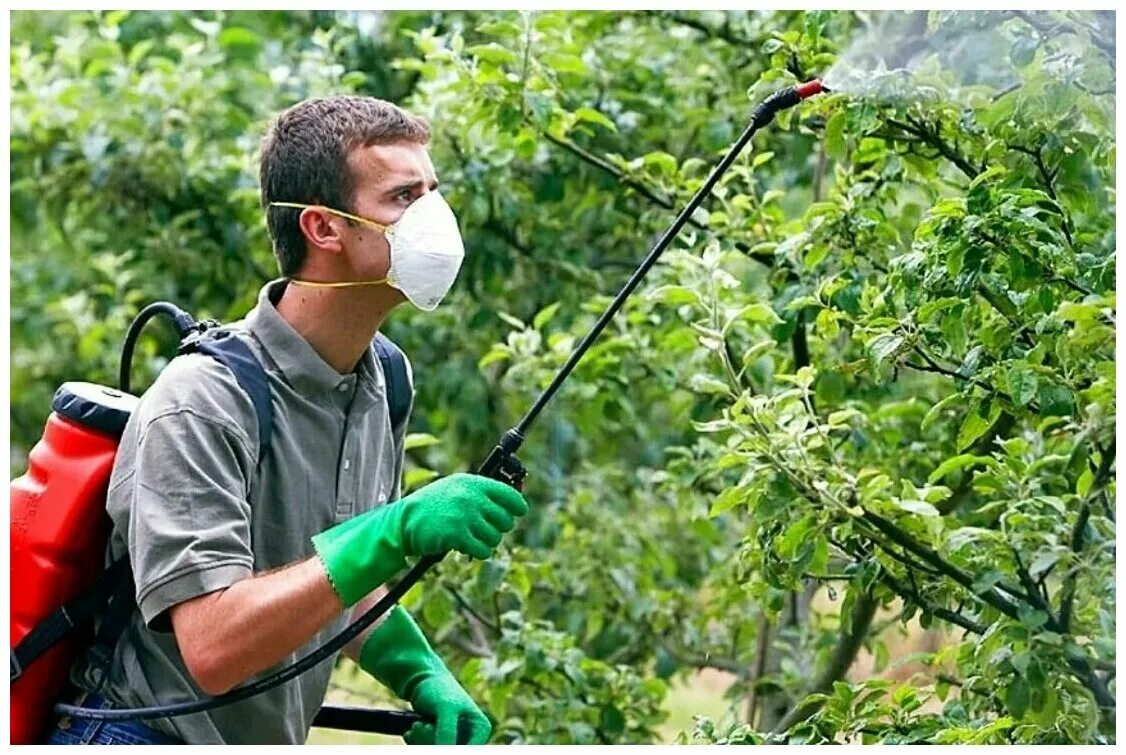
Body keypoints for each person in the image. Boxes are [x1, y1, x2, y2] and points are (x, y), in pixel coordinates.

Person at [48, 95, 528, 745]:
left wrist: (422, 673)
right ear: (323, 228)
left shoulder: (384, 378)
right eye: (402, 197)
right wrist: (397, 528)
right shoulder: (202, 401)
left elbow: (327, 580)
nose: (434, 219)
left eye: (432, 191)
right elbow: (213, 646)